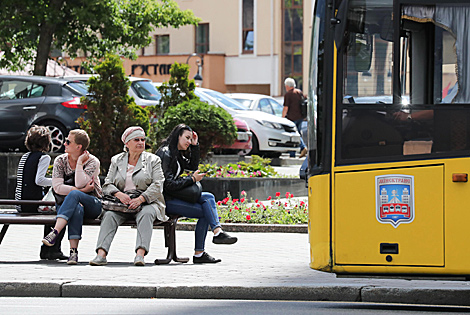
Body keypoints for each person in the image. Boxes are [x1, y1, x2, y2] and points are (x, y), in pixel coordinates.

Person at [156, 124, 237, 264]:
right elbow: (167, 185)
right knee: (207, 210)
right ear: (177, 136)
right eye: (187, 138)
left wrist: (195, 145)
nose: (188, 141)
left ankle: (215, 234)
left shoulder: (175, 153)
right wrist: (191, 179)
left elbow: (192, 166)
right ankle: (202, 249)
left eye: (190, 138)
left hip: (174, 196)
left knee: (208, 198)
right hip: (164, 201)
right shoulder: (166, 153)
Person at [90, 126, 167, 266]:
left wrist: (141, 199)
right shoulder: (116, 160)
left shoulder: (153, 160)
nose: (141, 142)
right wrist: (118, 194)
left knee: (147, 213)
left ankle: (140, 255)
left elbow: (158, 184)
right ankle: (101, 254)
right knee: (109, 215)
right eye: (136, 139)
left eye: (143, 139)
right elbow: (107, 184)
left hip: (147, 202)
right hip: (121, 203)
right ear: (127, 143)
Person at [42, 129, 102, 265]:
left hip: (92, 203)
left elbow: (80, 181)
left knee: (74, 195)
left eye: (68, 141)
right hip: (67, 204)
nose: (64, 143)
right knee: (76, 208)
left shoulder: (92, 161)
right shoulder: (60, 161)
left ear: (78, 147)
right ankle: (73, 253)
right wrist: (81, 190)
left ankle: (55, 232)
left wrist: (80, 163)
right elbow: (57, 187)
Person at [15, 125, 67, 261]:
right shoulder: (43, 158)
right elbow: (39, 180)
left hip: (19, 202)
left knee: (52, 213)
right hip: (31, 203)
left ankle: (47, 250)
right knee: (62, 215)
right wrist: (58, 181)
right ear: (46, 142)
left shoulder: (25, 156)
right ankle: (52, 250)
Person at [282, 77, 307, 158]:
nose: (285, 87)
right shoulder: (299, 92)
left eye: (286, 86)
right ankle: (293, 153)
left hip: (292, 118)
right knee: (297, 133)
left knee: (292, 135)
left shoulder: (288, 94)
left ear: (288, 86)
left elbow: (286, 108)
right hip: (300, 117)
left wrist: (282, 118)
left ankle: (302, 148)